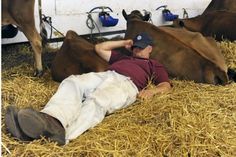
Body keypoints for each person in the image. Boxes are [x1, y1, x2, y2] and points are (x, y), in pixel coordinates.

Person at [5, 32, 171, 145]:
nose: (137, 49)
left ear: (150, 48)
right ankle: (51, 119)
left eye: (141, 47)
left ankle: (64, 135)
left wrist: (152, 91)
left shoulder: (153, 65)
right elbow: (100, 48)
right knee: (73, 82)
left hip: (127, 85)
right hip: (107, 74)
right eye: (136, 46)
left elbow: (166, 85)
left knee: (97, 101)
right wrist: (124, 43)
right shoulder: (122, 56)